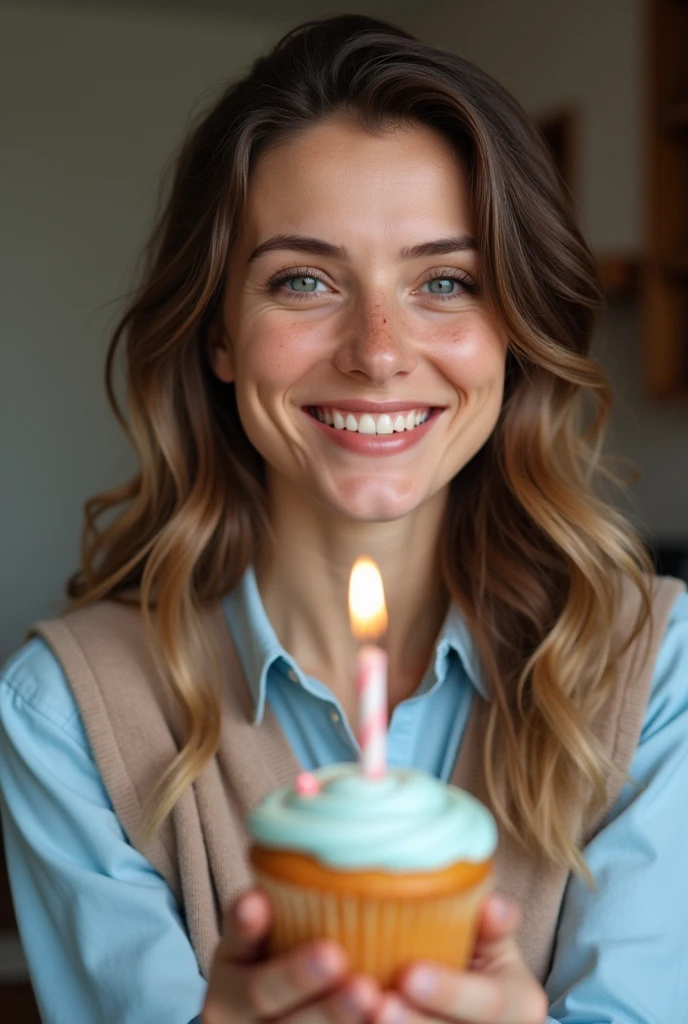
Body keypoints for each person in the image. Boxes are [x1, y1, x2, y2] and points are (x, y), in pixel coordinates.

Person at [1, 13, 686, 1024]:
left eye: (445, 281)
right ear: (220, 334)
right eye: (304, 280)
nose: (377, 350)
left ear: (514, 333)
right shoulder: (66, 714)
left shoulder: (652, 666)